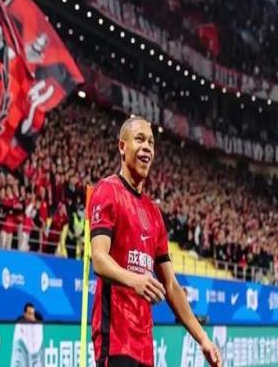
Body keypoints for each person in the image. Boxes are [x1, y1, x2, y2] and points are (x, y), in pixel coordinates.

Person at [89, 116, 221, 367]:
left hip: (144, 346)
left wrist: (203, 338)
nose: (147, 147)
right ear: (122, 146)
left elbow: (171, 285)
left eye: (151, 142)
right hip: (115, 339)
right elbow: (99, 259)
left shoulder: (154, 213)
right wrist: (135, 280)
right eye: (139, 139)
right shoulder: (107, 191)